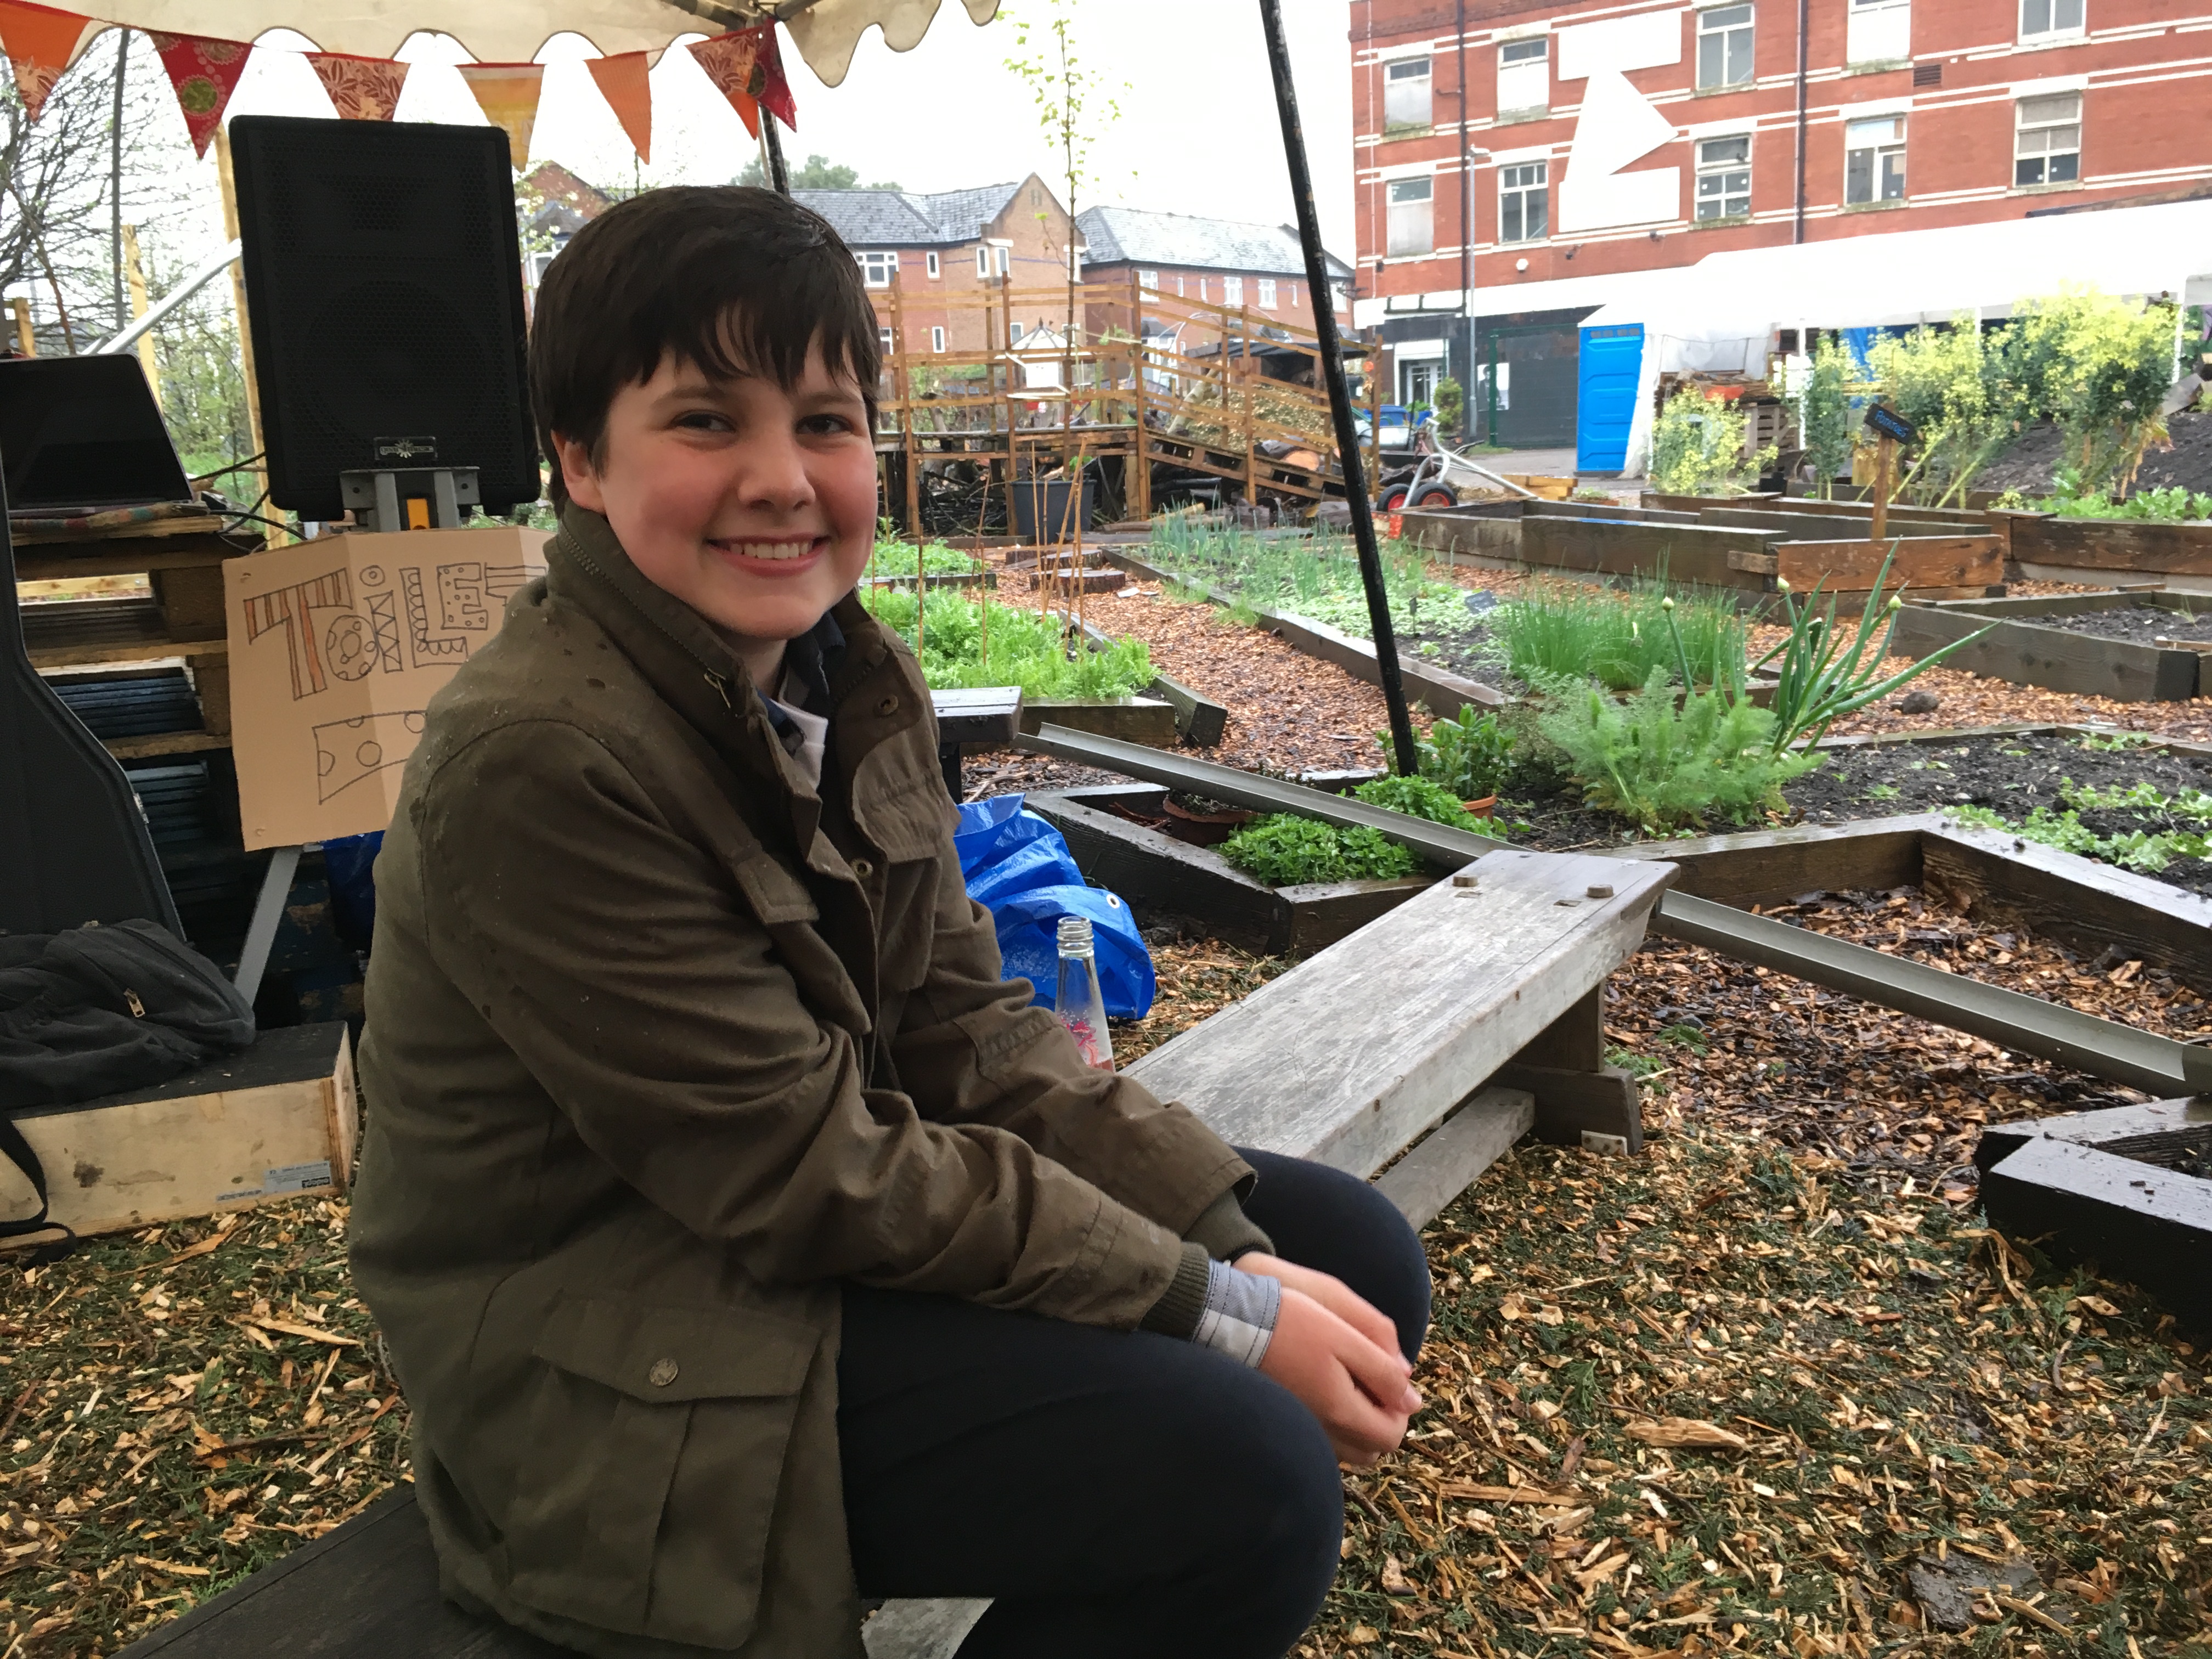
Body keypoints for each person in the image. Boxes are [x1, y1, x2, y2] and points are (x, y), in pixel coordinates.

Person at [348, 185, 1430, 1659]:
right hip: (614, 1329)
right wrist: (1212, 1309)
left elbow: (961, 1021)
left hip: (787, 1235)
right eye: (706, 421)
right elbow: (806, 1170)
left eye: (826, 422)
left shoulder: (845, 673)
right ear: (582, 461)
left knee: (1351, 1254)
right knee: (1253, 1487)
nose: (782, 479)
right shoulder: (542, 761)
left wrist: (1223, 1250)